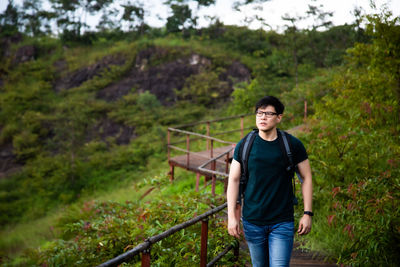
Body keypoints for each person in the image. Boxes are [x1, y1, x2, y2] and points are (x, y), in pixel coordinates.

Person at [227, 96, 313, 267]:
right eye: (259, 113)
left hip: (282, 221)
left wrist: (307, 213)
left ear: (279, 117)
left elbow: (306, 178)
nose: (263, 117)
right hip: (253, 221)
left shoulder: (292, 145)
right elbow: (234, 180)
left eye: (268, 113)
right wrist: (232, 217)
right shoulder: (245, 145)